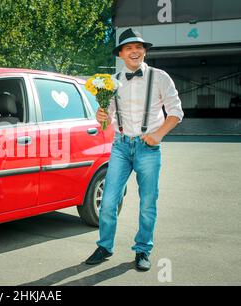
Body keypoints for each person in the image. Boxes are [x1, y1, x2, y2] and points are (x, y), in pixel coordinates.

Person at [85, 28, 184, 271]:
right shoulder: (112, 82)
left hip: (148, 147)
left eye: (139, 47)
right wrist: (101, 116)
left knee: (148, 202)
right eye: (129, 47)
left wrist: (157, 135)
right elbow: (106, 119)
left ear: (144, 51)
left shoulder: (160, 77)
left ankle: (142, 250)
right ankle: (105, 245)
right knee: (108, 201)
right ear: (120, 53)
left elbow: (176, 113)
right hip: (120, 146)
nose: (135, 51)